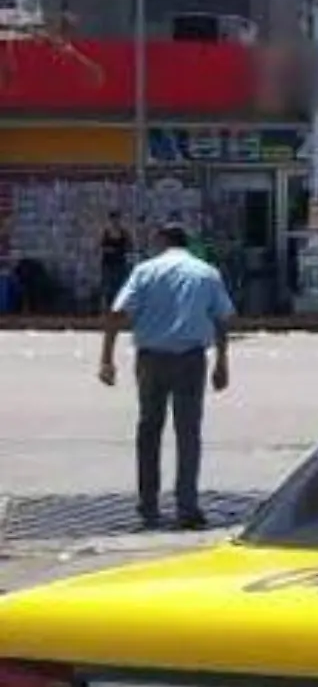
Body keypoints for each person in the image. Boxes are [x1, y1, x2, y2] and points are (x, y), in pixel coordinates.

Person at [96, 221, 235, 530]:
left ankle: (148, 506)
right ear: (187, 243)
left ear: (161, 241)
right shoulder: (206, 273)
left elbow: (117, 314)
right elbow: (222, 318)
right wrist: (222, 362)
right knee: (188, 433)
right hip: (191, 359)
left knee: (149, 430)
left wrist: (106, 359)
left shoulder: (145, 271)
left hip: (151, 360)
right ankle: (187, 506)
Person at [98, 210, 132, 314]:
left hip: (120, 263)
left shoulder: (124, 233)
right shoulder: (106, 233)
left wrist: (120, 250)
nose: (115, 221)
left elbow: (129, 246)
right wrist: (111, 250)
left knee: (120, 286)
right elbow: (102, 247)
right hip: (108, 264)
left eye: (117, 219)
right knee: (107, 287)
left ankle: (120, 308)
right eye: (113, 219)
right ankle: (107, 309)